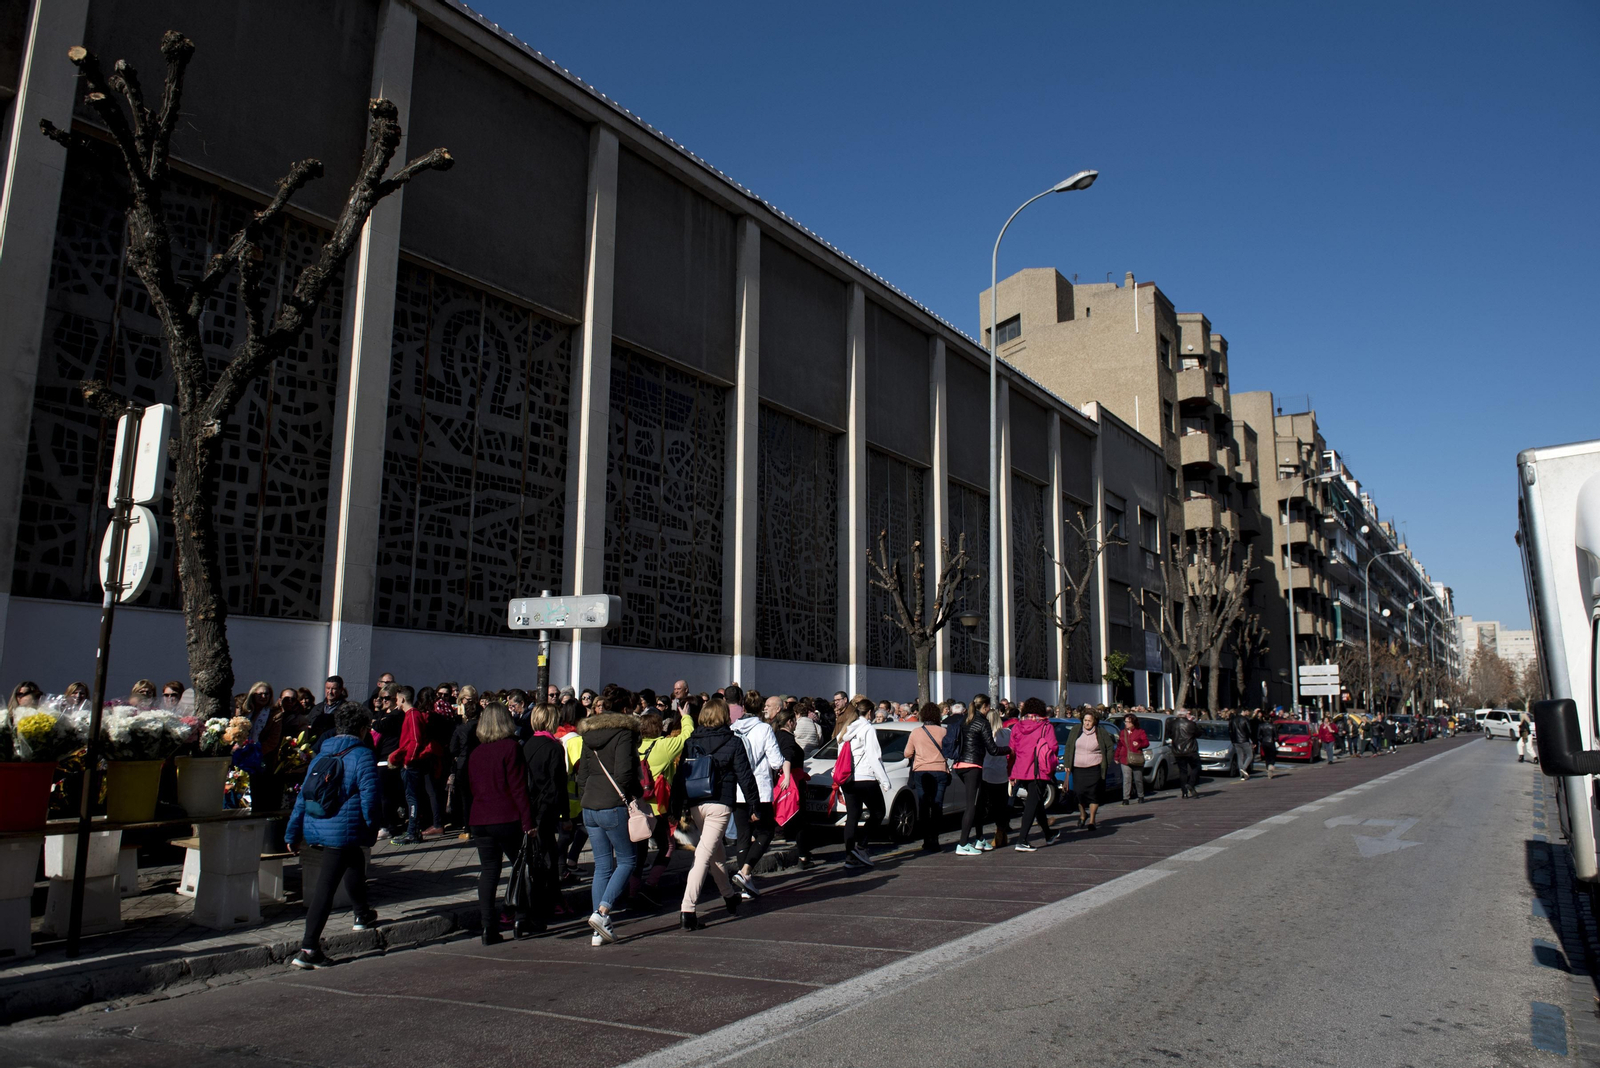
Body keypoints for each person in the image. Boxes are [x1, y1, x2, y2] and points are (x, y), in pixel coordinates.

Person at [285, 702, 381, 969]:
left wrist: (293, 832)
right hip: (343, 830)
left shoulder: (320, 755)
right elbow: (370, 799)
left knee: (354, 863)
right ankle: (309, 947)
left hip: (318, 825)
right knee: (325, 888)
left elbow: (303, 798)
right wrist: (372, 828)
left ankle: (362, 914)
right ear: (363, 729)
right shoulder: (362, 756)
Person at [677, 696, 756, 930]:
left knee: (716, 853)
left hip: (696, 801)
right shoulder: (733, 742)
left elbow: (682, 774)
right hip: (720, 803)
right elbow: (745, 776)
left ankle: (729, 895)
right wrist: (754, 805)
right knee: (704, 854)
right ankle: (687, 909)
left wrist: (677, 805)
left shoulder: (692, 740)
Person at [574, 693, 642, 946]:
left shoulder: (588, 735)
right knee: (627, 859)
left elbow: (583, 773)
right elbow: (625, 771)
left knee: (602, 865)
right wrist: (632, 795)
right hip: (612, 803)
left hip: (590, 803)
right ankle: (602, 911)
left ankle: (597, 928)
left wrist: (585, 795)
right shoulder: (624, 733)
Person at [466, 701, 535, 944]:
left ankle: (488, 927)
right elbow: (519, 789)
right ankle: (521, 918)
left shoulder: (476, 752)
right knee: (521, 867)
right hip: (506, 816)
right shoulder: (511, 748)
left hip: (480, 817)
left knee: (489, 871)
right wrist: (528, 822)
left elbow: (472, 788)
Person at [729, 694, 789, 899]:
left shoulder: (733, 728)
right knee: (766, 832)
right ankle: (745, 871)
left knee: (743, 835)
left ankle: (745, 882)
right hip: (760, 790)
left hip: (737, 789)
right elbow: (775, 761)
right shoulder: (764, 729)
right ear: (761, 709)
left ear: (743, 706)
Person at [521, 703, 569, 925]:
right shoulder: (554, 747)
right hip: (547, 809)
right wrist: (566, 815)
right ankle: (553, 900)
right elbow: (559, 783)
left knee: (533, 856)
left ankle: (535, 899)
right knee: (548, 854)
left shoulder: (527, 745)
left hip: (529, 808)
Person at [835, 700, 892, 868]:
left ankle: (849, 855)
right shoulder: (868, 729)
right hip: (865, 777)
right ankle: (861, 846)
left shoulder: (847, 730)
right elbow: (874, 757)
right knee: (878, 812)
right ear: (869, 713)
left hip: (848, 779)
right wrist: (884, 780)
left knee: (852, 815)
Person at [954, 697, 1009, 856]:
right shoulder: (982, 722)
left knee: (978, 802)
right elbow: (993, 749)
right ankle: (963, 843)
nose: (989, 710)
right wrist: (1008, 750)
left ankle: (979, 838)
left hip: (960, 764)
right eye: (988, 707)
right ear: (984, 706)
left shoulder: (965, 720)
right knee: (972, 805)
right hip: (973, 765)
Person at [390, 686, 442, 842]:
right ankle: (414, 830)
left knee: (412, 798)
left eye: (397, 699)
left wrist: (408, 760)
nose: (396, 702)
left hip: (411, 764)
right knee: (413, 797)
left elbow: (416, 740)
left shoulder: (412, 716)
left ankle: (412, 831)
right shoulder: (412, 715)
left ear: (403, 699)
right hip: (411, 763)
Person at [1008, 698, 1058, 850]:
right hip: (1039, 770)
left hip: (1021, 770)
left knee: (1036, 803)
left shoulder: (1017, 727)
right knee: (1032, 804)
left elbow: (1011, 752)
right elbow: (1053, 746)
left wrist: (1011, 773)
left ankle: (1048, 834)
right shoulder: (1046, 726)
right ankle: (1022, 840)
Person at [903, 702, 949, 853]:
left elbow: (907, 754)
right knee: (937, 805)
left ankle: (926, 840)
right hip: (940, 770)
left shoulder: (916, 732)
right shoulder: (943, 732)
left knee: (924, 805)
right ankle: (935, 839)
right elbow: (949, 750)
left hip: (921, 771)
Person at [770, 707, 812, 867]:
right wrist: (787, 777)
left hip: (786, 780)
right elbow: (787, 758)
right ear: (790, 722)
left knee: (791, 816)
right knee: (801, 820)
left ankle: (804, 852)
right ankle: (803, 856)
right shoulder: (787, 738)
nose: (796, 724)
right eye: (794, 721)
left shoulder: (777, 736)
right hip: (793, 782)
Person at [1066, 708, 1114, 830]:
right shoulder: (1076, 731)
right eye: (1085, 720)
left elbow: (1109, 747)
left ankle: (1092, 820)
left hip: (1094, 768)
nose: (1087, 723)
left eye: (1089, 721)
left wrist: (1106, 762)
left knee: (1094, 794)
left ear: (1094, 722)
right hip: (1078, 768)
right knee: (1078, 793)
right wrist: (1067, 764)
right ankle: (1083, 814)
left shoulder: (1101, 732)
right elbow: (1069, 747)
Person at [978, 705, 1012, 849]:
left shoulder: (987, 735)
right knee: (1001, 804)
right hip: (1002, 773)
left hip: (987, 773)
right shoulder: (1007, 733)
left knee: (988, 805)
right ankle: (1001, 830)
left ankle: (992, 834)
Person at [1115, 712, 1149, 805]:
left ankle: (1140, 796)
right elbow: (1119, 745)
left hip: (1136, 758)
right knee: (1127, 779)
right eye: (1125, 722)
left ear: (1133, 722)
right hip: (1125, 758)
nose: (1126, 724)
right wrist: (1116, 756)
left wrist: (1139, 744)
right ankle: (1125, 798)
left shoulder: (1140, 731)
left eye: (1128, 722)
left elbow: (1146, 742)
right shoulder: (1122, 732)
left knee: (1138, 779)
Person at [1171, 709, 1202, 799]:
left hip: (1177, 750)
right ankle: (1191, 784)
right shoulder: (1190, 724)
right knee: (1196, 766)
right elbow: (1198, 733)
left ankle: (1184, 792)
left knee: (1183, 771)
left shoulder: (1172, 724)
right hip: (1190, 750)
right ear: (1185, 715)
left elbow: (1170, 734)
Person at [307, 676, 347, 742]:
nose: (330, 692)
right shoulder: (317, 708)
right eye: (328, 688)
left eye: (334, 689)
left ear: (341, 690)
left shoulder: (345, 709)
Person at [1229, 708, 1254, 781]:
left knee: (1240, 757)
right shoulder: (1245, 719)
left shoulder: (1232, 720)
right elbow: (1250, 730)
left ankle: (1242, 775)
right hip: (1244, 740)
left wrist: (1233, 741)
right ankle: (1243, 768)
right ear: (1242, 712)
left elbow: (1230, 731)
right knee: (1250, 755)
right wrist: (1250, 739)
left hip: (1236, 741)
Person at [1256, 714, 1279, 779]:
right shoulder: (1273, 726)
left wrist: (1261, 740)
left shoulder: (1261, 726)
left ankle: (1267, 767)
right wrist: (1276, 740)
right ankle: (1270, 766)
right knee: (1272, 755)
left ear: (1263, 719)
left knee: (1266, 756)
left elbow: (1258, 736)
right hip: (1271, 742)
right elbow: (1276, 737)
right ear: (1270, 719)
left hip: (1264, 742)